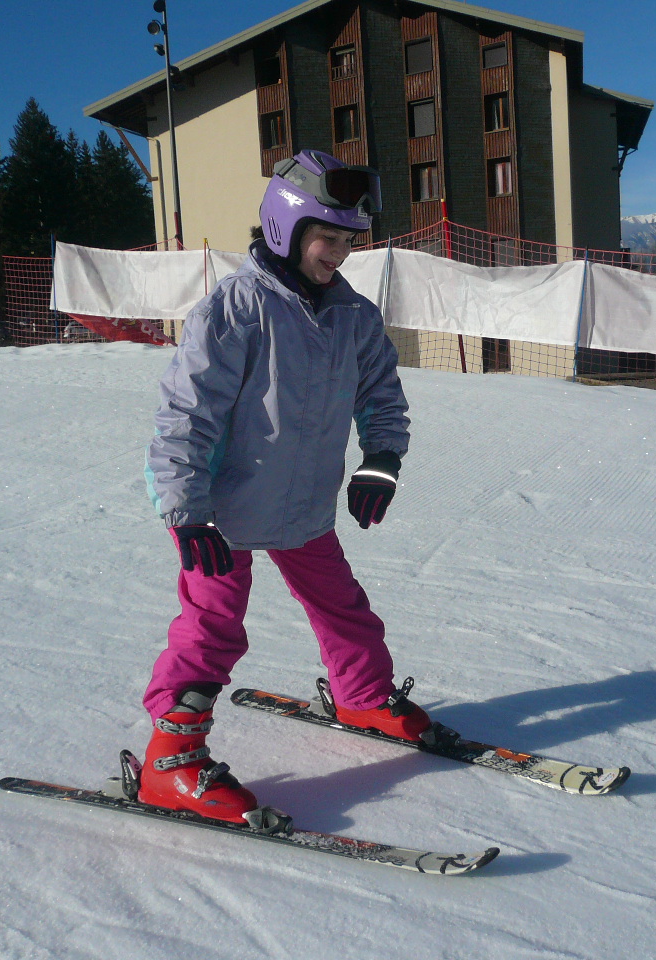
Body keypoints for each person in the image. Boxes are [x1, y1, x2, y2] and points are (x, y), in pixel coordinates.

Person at [139, 150, 432, 828]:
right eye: (328, 238)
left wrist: (381, 456)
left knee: (343, 608)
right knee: (212, 628)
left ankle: (362, 696)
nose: (340, 254)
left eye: (349, 241)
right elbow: (186, 413)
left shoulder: (352, 315)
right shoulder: (237, 308)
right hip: (221, 513)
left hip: (303, 504)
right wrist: (186, 511)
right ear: (285, 228)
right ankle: (170, 759)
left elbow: (381, 393)